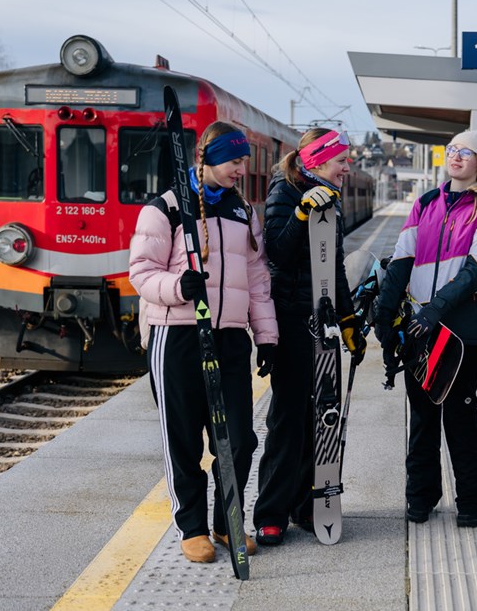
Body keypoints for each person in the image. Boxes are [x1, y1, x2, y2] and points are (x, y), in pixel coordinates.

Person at [129, 121, 278, 564]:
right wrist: (179, 286)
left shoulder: (242, 212)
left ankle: (226, 521)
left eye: (243, 162)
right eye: (235, 161)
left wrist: (266, 336)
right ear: (210, 159)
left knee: (239, 439)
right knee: (184, 439)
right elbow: (140, 272)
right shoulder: (166, 207)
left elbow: (256, 280)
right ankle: (191, 527)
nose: (240, 170)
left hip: (229, 338)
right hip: (176, 336)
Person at [372, 129, 477, 529]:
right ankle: (421, 496)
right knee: (423, 414)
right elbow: (401, 259)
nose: (457, 157)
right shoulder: (426, 202)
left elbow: (476, 269)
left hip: (462, 330)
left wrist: (437, 309)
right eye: (452, 150)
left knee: (460, 414)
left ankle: (472, 501)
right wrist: (385, 310)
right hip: (418, 326)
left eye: (466, 152)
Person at [253, 128, 366, 546]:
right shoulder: (285, 192)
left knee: (319, 419)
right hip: (291, 321)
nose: (346, 166)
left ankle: (306, 506)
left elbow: (333, 268)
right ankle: (270, 514)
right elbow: (277, 254)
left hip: (324, 324)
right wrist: (301, 216)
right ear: (318, 161)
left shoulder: (332, 201)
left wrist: (350, 321)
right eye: (341, 160)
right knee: (287, 420)